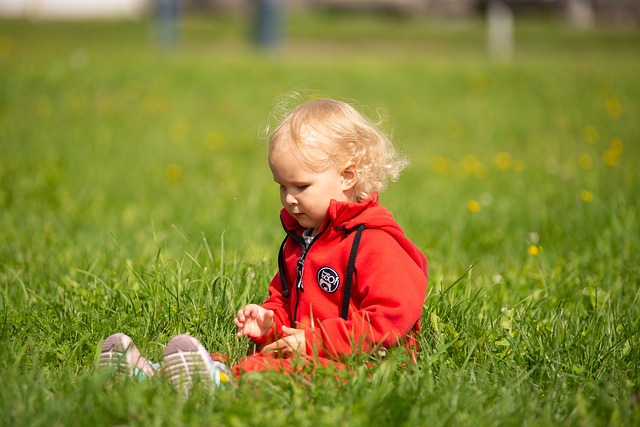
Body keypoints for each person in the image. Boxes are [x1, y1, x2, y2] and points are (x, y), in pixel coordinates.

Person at [99, 98, 428, 389]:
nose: (289, 199)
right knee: (249, 356)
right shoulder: (302, 240)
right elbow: (286, 301)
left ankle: (214, 383)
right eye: (282, 186)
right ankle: (159, 375)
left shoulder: (376, 242)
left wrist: (316, 342)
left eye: (301, 186)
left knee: (264, 370)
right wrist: (270, 322)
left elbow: (390, 320)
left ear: (347, 176)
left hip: (368, 366)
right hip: (314, 351)